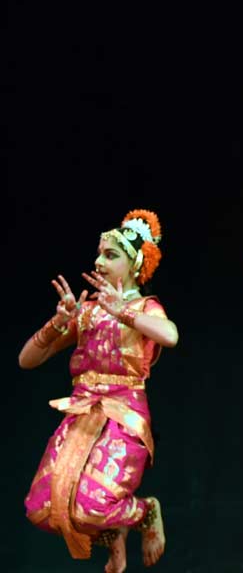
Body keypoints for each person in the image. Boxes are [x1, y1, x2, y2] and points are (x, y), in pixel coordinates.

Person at [21, 209, 177, 572]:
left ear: (135, 265)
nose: (98, 260)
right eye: (99, 253)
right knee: (43, 508)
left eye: (110, 254)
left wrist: (125, 313)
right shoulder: (87, 311)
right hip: (82, 414)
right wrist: (58, 323)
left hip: (124, 416)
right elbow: (27, 360)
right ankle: (113, 535)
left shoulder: (144, 308)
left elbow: (170, 335)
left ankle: (143, 512)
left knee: (91, 506)